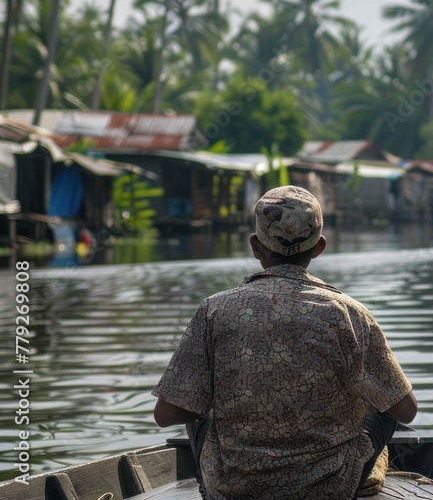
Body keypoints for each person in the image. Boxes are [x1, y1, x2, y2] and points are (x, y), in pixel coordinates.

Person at [152, 185, 417, 499]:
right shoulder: (350, 315)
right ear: (318, 247)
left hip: (234, 488)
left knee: (193, 403)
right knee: (384, 402)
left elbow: (166, 414)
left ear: (255, 246)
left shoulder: (213, 311)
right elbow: (405, 410)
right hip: (329, 487)